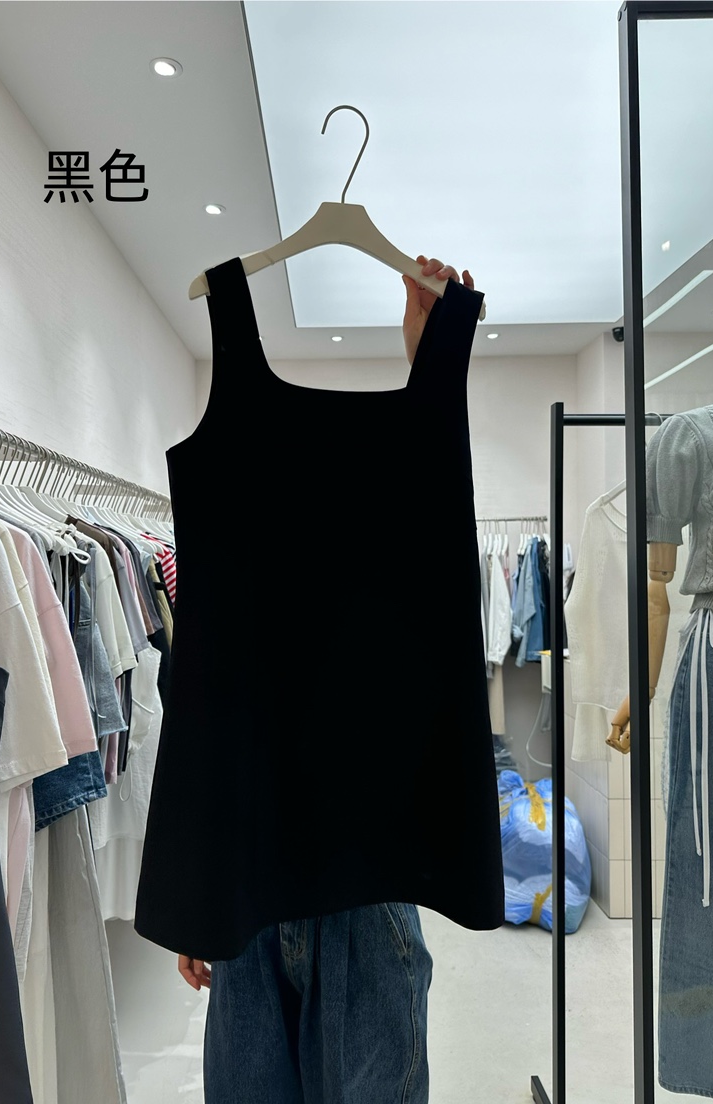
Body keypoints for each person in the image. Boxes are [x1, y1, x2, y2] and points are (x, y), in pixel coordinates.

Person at [177, 255, 476, 1104]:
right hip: (249, 881)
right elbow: (201, 685)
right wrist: (196, 886)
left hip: (364, 884)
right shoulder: (235, 459)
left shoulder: (411, 495)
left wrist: (429, 361)